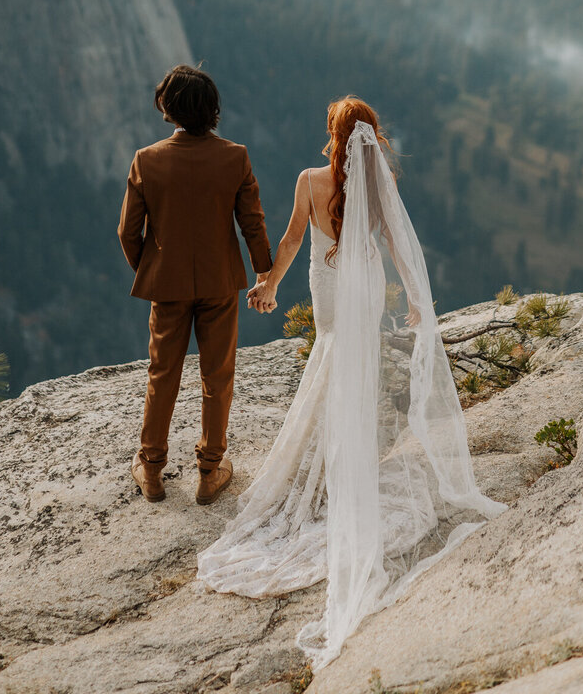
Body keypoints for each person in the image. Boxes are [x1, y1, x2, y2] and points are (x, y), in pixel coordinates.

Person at [198, 96, 506, 668]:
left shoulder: (310, 180)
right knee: (357, 370)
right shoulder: (380, 180)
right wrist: (416, 298)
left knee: (332, 360)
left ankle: (334, 468)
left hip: (329, 286)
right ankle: (352, 464)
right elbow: (396, 243)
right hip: (365, 287)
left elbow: (291, 240)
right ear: (371, 135)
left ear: (333, 134)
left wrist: (267, 286)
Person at [118, 64, 275, 506]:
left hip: (166, 287)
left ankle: (151, 469)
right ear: (212, 109)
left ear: (169, 110)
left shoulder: (146, 160)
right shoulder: (235, 157)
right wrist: (263, 271)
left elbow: (128, 232)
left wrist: (152, 270)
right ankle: (210, 469)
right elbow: (252, 222)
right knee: (218, 373)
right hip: (220, 283)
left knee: (162, 372)